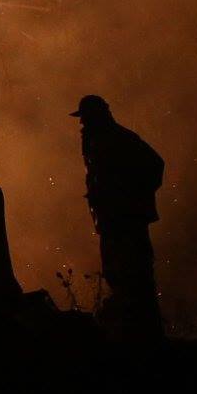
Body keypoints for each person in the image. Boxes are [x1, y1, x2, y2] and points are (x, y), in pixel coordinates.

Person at [73, 94, 166, 342]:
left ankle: (145, 337)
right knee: (117, 274)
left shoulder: (120, 140)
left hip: (126, 222)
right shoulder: (101, 142)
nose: (82, 126)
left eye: (86, 119)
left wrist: (130, 198)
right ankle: (132, 334)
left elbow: (155, 165)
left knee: (135, 277)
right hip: (113, 221)